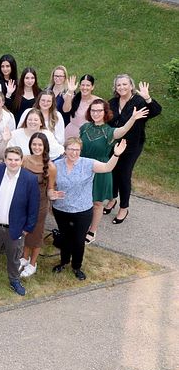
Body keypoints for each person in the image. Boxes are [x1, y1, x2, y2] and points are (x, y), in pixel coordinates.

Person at [51, 138, 127, 280]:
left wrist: (116, 155)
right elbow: (50, 184)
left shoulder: (88, 163)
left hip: (82, 211)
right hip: (61, 209)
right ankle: (64, 262)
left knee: (79, 240)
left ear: (80, 151)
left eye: (77, 150)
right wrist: (52, 193)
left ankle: (76, 266)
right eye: (71, 149)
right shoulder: (56, 165)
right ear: (65, 150)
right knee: (65, 237)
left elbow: (107, 168)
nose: (74, 153)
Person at [0, 146, 39, 296]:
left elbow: (33, 206)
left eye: (16, 160)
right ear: (4, 159)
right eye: (10, 159)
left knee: (14, 256)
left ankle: (14, 280)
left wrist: (27, 228)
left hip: (15, 228)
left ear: (22, 161)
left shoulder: (29, 179)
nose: (13, 163)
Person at [81, 99, 147, 243]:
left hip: (100, 170)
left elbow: (123, 130)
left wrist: (132, 119)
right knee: (81, 199)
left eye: (99, 110)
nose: (96, 113)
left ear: (105, 113)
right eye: (93, 110)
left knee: (97, 203)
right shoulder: (84, 128)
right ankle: (80, 225)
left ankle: (92, 230)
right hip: (83, 167)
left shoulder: (109, 132)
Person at [106, 76, 163, 224]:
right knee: (112, 172)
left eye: (125, 84)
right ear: (115, 87)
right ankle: (112, 199)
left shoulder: (138, 101)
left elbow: (156, 111)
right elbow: (109, 122)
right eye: (118, 85)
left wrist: (148, 98)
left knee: (124, 174)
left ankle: (124, 208)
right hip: (115, 143)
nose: (122, 87)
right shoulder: (112, 103)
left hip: (133, 145)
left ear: (131, 85)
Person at [19, 133, 57, 277]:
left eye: (40, 145)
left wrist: (53, 195)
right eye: (34, 144)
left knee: (36, 234)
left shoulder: (51, 167)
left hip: (40, 205)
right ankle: (24, 257)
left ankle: (33, 263)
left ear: (45, 146)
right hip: (23, 202)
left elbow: (50, 189)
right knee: (25, 232)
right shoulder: (24, 160)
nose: (36, 147)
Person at [63, 74, 99, 140]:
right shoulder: (72, 97)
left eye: (88, 85)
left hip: (89, 135)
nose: (85, 88)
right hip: (71, 133)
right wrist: (70, 91)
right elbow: (65, 110)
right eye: (83, 85)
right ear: (79, 86)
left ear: (92, 87)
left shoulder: (98, 101)